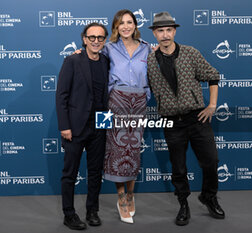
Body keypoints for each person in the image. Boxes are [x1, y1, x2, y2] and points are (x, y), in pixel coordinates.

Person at [147, 12, 225, 226]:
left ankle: (209, 196)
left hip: (197, 117)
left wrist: (212, 105)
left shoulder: (190, 53)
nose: (165, 35)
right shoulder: (149, 60)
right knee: (178, 167)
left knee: (211, 161)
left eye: (168, 30)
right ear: (155, 33)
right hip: (171, 122)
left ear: (174, 31)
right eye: (160, 30)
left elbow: (213, 75)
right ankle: (183, 203)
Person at [56, 22, 109, 230]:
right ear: (84, 39)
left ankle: (92, 211)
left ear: (104, 40)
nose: (96, 41)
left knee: (96, 172)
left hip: (101, 124)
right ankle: (69, 214)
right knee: (70, 173)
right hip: (75, 126)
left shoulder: (106, 61)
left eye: (100, 37)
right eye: (92, 37)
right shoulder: (72, 60)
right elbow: (61, 96)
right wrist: (64, 126)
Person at [103, 9, 151, 224]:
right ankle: (121, 197)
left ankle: (130, 194)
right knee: (117, 149)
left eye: (129, 22)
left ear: (135, 25)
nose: (125, 26)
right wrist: (79, 51)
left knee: (133, 149)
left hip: (139, 102)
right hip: (117, 102)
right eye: (121, 23)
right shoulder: (108, 48)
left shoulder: (147, 48)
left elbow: (155, 73)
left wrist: (146, 94)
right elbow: (91, 62)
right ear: (115, 27)